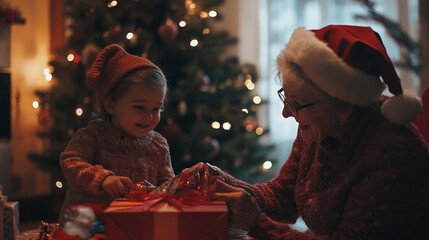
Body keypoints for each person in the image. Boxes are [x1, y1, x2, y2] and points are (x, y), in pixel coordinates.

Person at [191, 25, 429, 239]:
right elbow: (283, 195)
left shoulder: (391, 153)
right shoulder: (319, 128)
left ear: (343, 103)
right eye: (286, 97)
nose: (286, 113)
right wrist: (222, 181)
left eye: (296, 104)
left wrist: (256, 222)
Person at [59, 44, 174, 223]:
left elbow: (167, 184)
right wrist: (103, 179)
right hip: (85, 224)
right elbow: (70, 162)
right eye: (139, 107)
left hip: (134, 224)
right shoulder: (92, 136)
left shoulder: (158, 145)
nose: (149, 116)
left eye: (156, 108)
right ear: (111, 105)